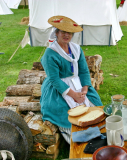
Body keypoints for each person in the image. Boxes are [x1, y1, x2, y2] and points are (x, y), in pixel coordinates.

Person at [40, 15, 103, 144]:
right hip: (58, 87)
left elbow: (84, 71)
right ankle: (78, 139)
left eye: (69, 32)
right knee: (63, 111)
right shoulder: (50, 53)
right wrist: (73, 94)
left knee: (94, 104)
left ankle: (96, 132)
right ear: (56, 33)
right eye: (63, 31)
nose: (66, 35)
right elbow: (54, 80)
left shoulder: (76, 49)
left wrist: (85, 89)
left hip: (78, 83)